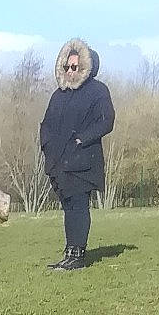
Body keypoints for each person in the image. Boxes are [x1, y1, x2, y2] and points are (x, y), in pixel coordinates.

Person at [39, 38, 115, 271]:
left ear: (86, 67)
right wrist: (48, 147)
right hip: (59, 163)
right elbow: (47, 125)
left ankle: (78, 255)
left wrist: (83, 139)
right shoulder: (58, 95)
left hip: (83, 161)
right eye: (67, 67)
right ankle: (70, 252)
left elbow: (107, 121)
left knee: (79, 206)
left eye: (75, 67)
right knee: (69, 207)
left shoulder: (98, 91)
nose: (70, 71)